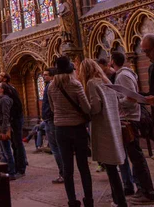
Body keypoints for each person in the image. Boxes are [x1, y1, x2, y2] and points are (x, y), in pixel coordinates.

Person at [79, 58, 127, 207]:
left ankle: (121, 202)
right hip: (113, 125)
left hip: (103, 128)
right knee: (113, 165)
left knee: (111, 169)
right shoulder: (106, 81)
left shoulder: (92, 83)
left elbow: (96, 107)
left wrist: (85, 109)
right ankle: (118, 199)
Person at [111, 51, 154, 204]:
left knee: (137, 158)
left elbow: (131, 99)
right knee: (135, 157)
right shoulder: (125, 74)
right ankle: (142, 189)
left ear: (112, 61)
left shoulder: (123, 76)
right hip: (129, 118)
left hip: (130, 119)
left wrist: (116, 102)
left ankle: (148, 192)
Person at [48, 55, 92, 207]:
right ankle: (89, 200)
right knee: (83, 166)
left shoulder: (51, 86)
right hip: (77, 128)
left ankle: (72, 201)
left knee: (67, 168)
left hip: (60, 128)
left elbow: (53, 109)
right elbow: (86, 108)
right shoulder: (75, 84)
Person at [0, 71, 27, 176]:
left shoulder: (9, 90)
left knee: (17, 143)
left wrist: (12, 118)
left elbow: (16, 106)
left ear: (5, 79)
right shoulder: (9, 89)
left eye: (0, 76)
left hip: (15, 120)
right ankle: (17, 165)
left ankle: (21, 168)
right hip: (13, 119)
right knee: (15, 144)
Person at [42, 68, 64, 184]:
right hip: (50, 119)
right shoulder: (50, 85)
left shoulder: (51, 86)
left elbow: (51, 104)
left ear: (52, 76)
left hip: (51, 119)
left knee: (56, 148)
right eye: (43, 75)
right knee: (56, 148)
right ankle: (64, 172)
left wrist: (48, 116)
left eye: (46, 75)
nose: (44, 77)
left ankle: (63, 173)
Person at [141, 33, 154, 161]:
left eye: (148, 51)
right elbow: (153, 93)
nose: (146, 55)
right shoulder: (152, 67)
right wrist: (138, 97)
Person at [0, 82, 16, 179]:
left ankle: (12, 172)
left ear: (2, 89)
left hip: (3, 127)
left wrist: (4, 131)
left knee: (7, 150)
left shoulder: (4, 100)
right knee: (3, 150)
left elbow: (6, 115)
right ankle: (6, 170)